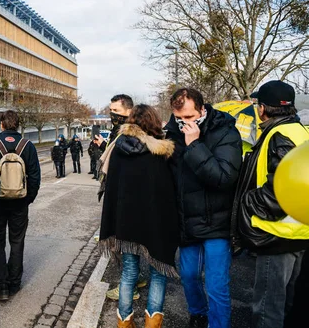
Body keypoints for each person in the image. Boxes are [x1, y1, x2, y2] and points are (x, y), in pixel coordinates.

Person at [231, 81, 309, 328]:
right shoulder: (300, 131)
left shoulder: (278, 135)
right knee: (289, 305)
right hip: (300, 231)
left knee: (267, 310)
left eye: (257, 104)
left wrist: (247, 202)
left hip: (277, 236)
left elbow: (280, 188)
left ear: (262, 108)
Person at [164, 88, 242, 328]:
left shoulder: (225, 131)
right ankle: (198, 313)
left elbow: (223, 177)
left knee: (217, 284)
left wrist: (195, 145)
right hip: (187, 221)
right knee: (188, 276)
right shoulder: (172, 135)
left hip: (217, 221)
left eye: (189, 117)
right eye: (179, 118)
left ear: (202, 109)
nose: (184, 123)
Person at [99, 105, 179, 328]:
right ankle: (152, 323)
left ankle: (124, 322)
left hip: (125, 223)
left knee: (129, 273)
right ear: (154, 122)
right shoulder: (162, 152)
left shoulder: (118, 149)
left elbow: (112, 189)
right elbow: (170, 190)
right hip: (155, 222)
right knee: (158, 273)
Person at [0, 110, 41, 301]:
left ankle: (1, 286)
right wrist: (28, 198)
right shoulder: (27, 146)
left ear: (1, 124)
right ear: (18, 124)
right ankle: (14, 282)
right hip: (20, 202)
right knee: (17, 242)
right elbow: (34, 177)